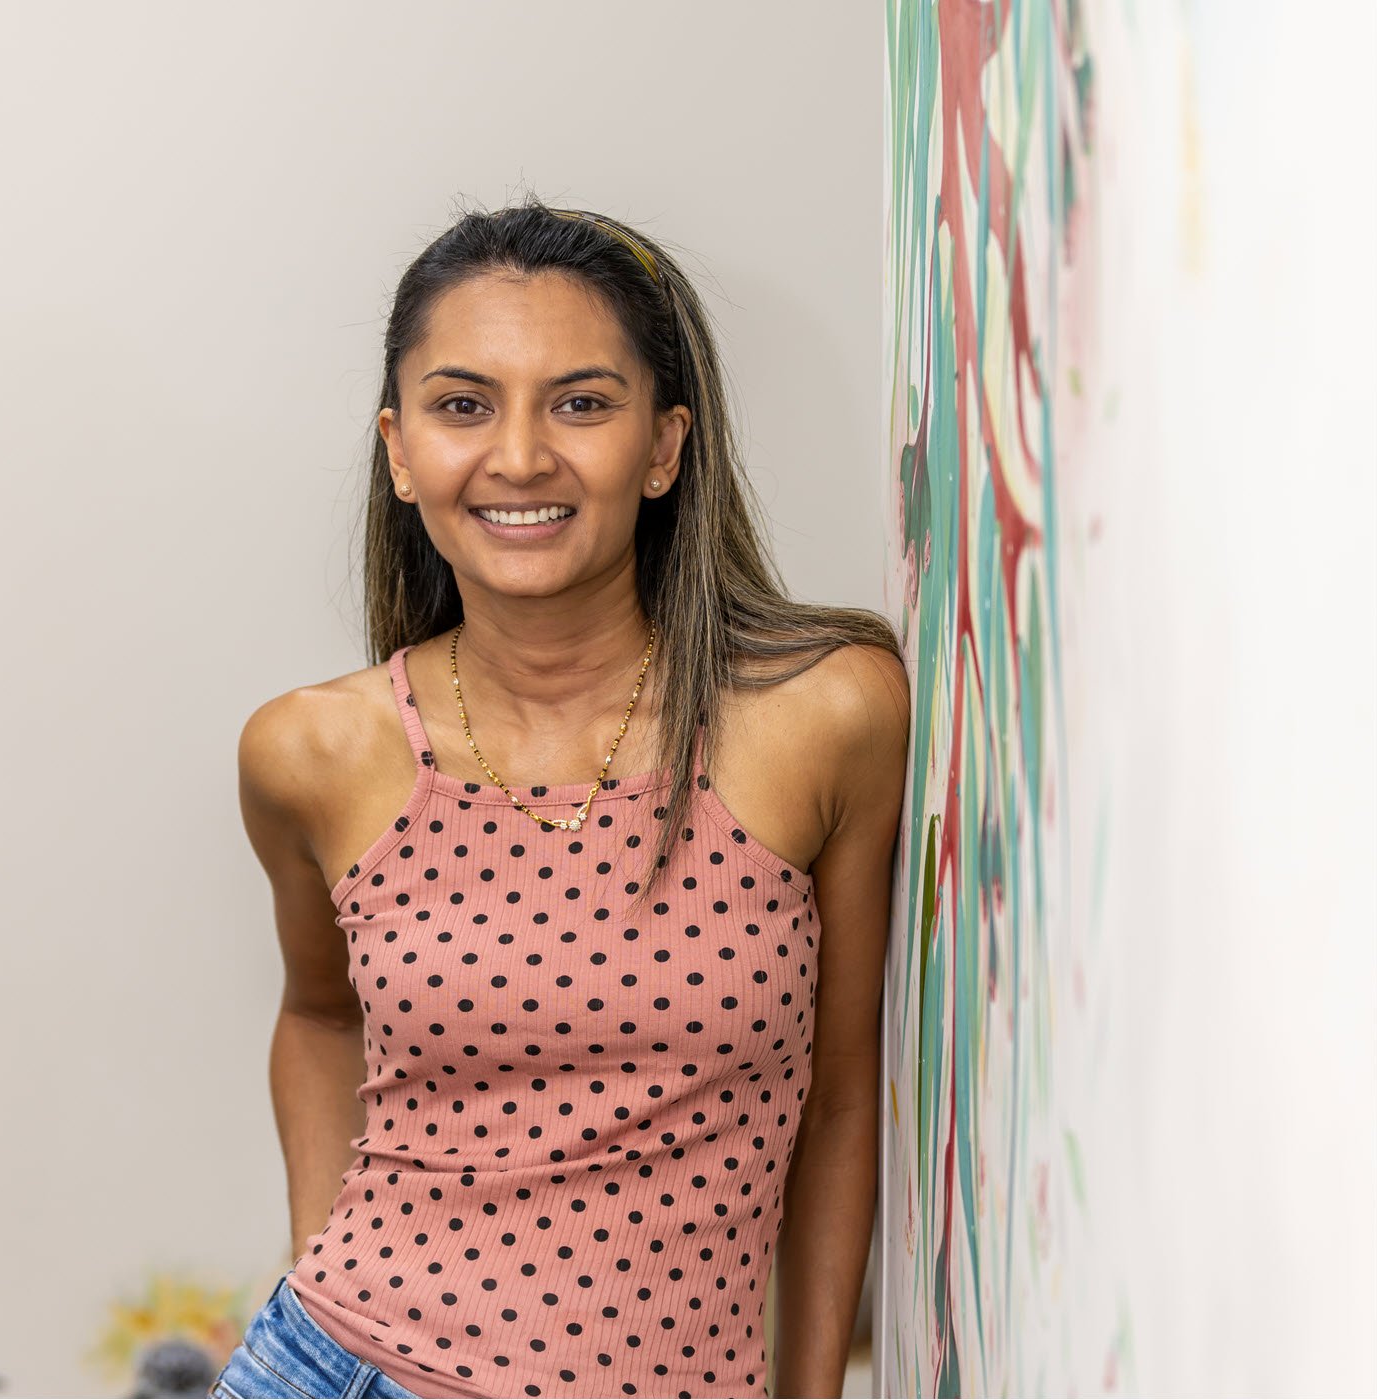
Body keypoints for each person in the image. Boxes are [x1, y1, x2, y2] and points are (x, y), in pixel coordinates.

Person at [209, 198, 910, 1400]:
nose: (520, 454)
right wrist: (321, 1265)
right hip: (337, 1366)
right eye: (461, 403)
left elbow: (843, 1088)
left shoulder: (822, 717)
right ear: (398, 447)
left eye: (580, 402)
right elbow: (319, 1018)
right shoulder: (311, 751)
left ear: (664, 446)